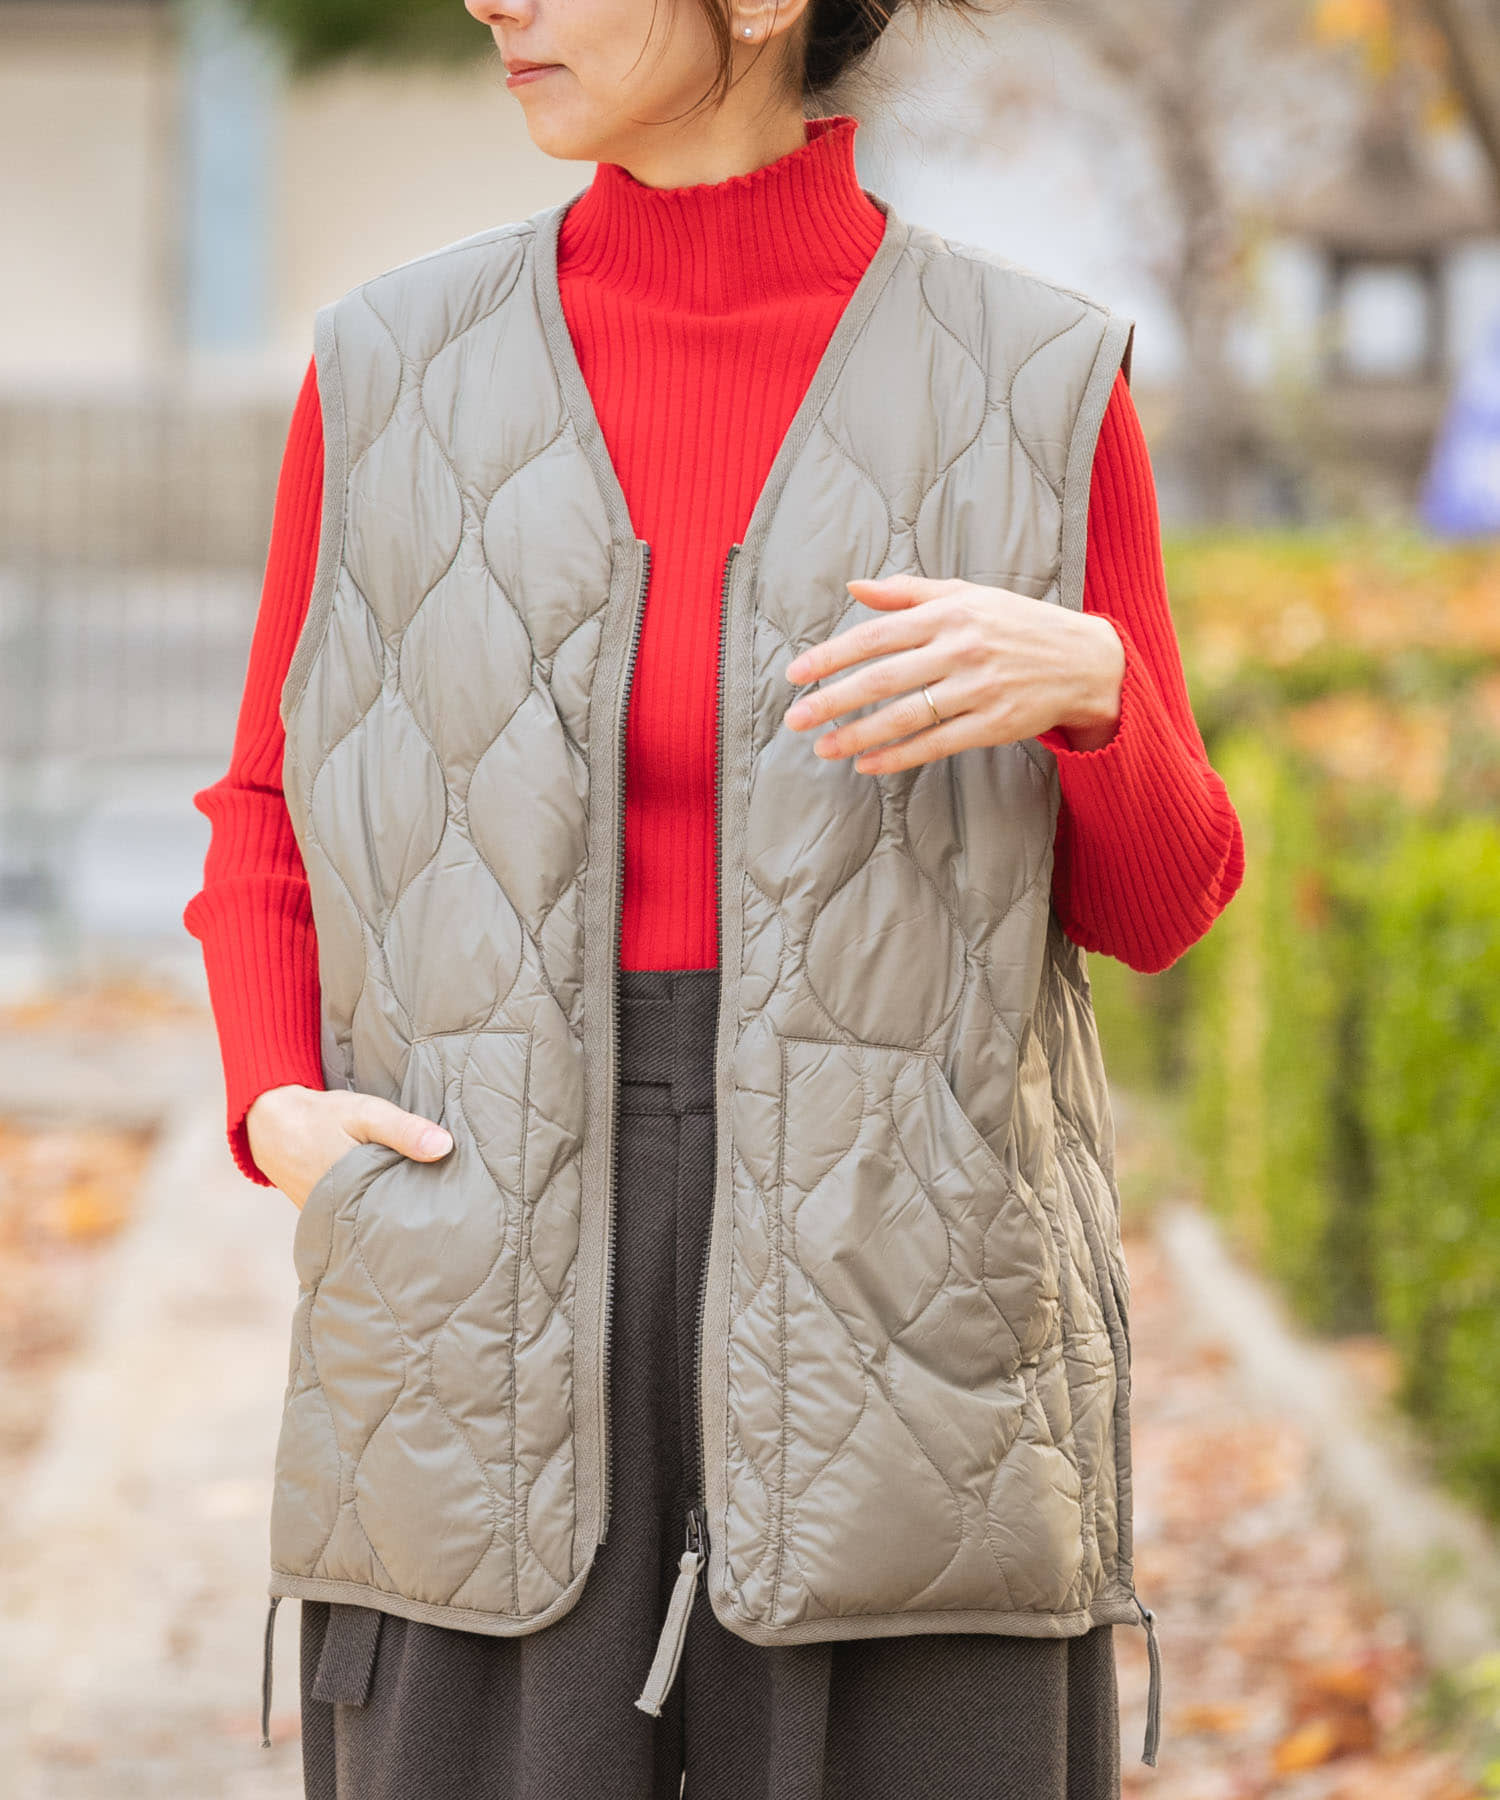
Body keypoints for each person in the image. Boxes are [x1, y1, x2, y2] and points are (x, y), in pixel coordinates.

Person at [183, 0, 1244, 1793]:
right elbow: (271, 802)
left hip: (913, 1317)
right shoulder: (387, 367)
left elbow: (1162, 903)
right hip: (468, 1269)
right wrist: (277, 1102)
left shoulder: (1038, 378)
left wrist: (1096, 695)